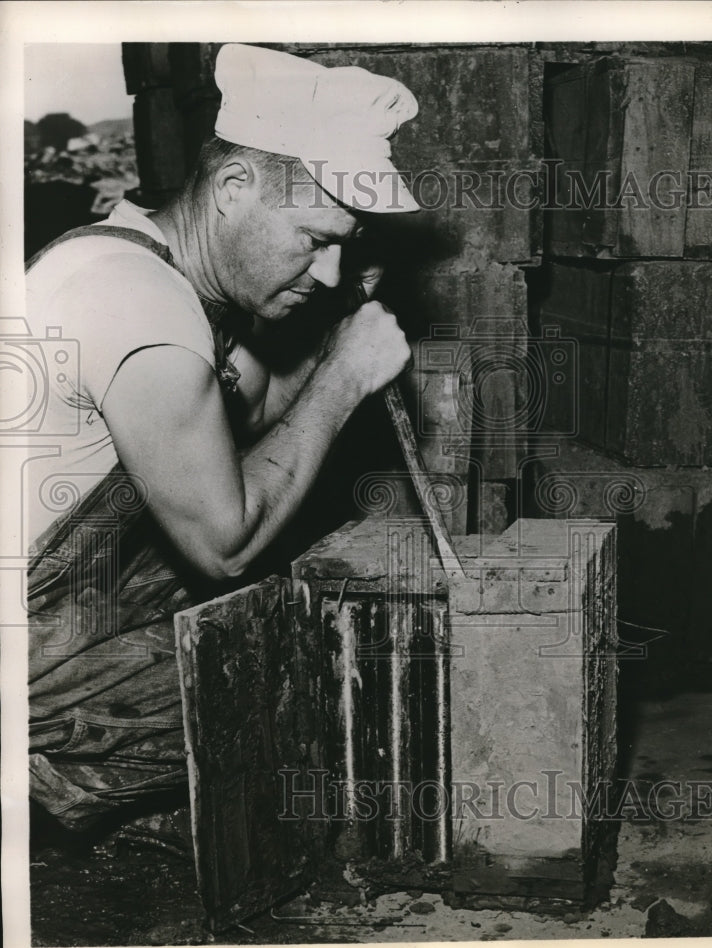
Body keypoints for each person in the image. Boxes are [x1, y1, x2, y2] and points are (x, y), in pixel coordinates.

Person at [26, 43, 419, 837]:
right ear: (234, 186)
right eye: (315, 239)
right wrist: (345, 378)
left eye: (347, 245)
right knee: (323, 675)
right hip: (27, 650)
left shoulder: (159, 268)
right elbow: (225, 545)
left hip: (64, 619)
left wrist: (326, 334)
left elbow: (261, 402)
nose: (333, 270)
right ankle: (46, 778)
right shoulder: (137, 305)